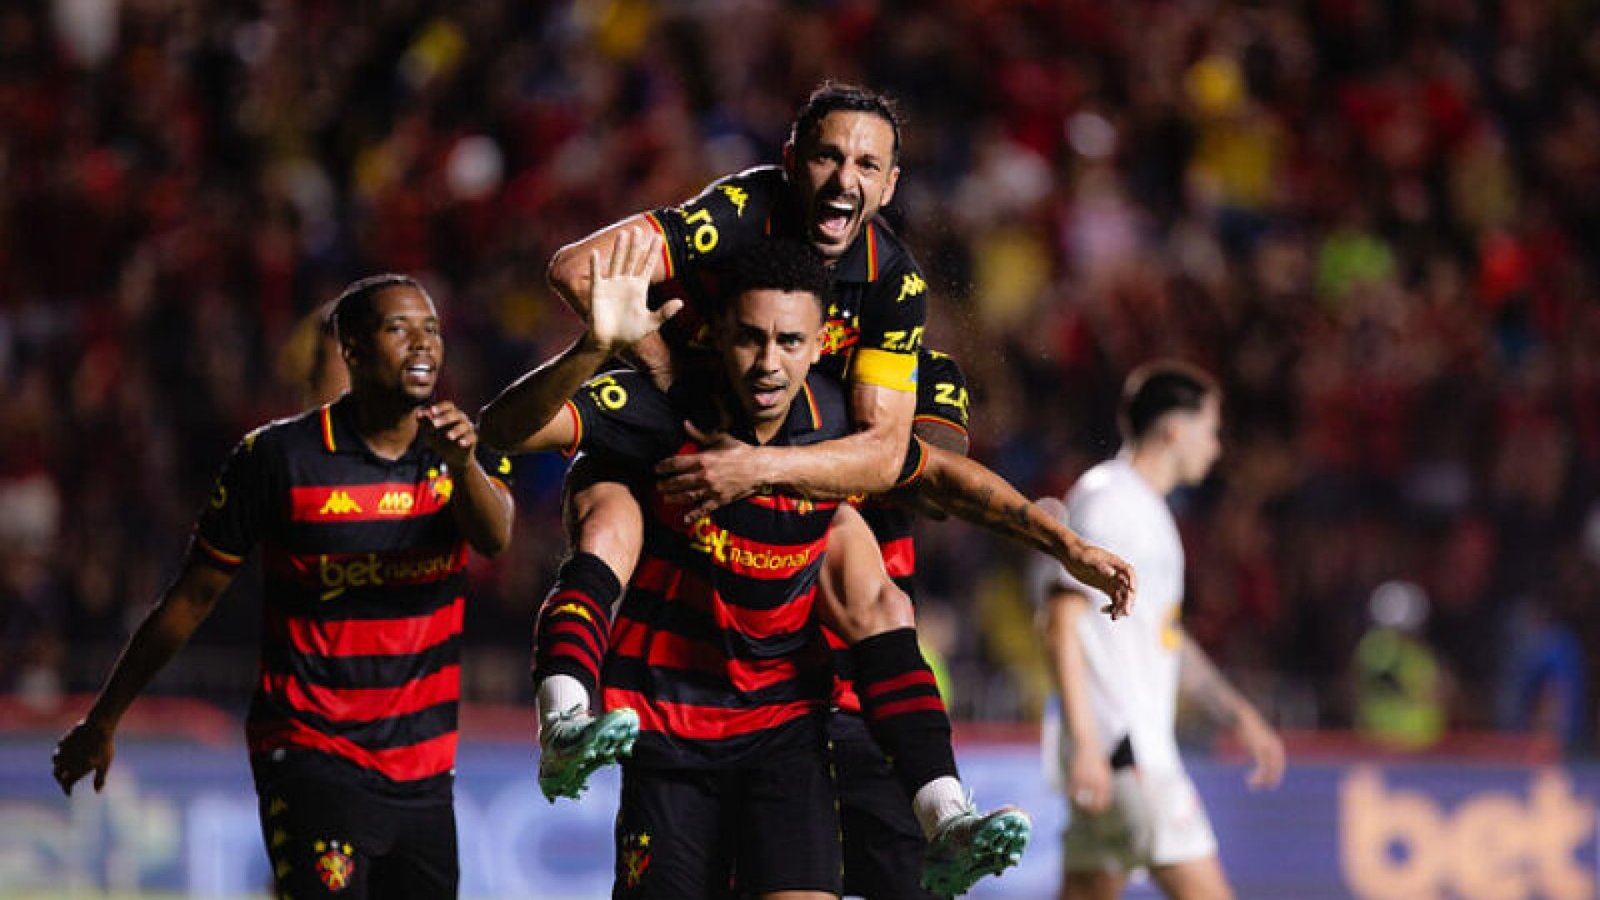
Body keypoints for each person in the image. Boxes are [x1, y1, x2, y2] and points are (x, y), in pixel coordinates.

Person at [483, 233, 1131, 897]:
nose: (769, 361)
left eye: (791, 339)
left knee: (877, 592)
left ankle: (947, 814)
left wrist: (1066, 544)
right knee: (608, 525)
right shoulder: (675, 401)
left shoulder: (867, 407)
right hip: (676, 722)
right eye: (751, 338)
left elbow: (934, 474)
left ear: (823, 333)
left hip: (805, 719)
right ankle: (562, 713)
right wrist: (595, 346)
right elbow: (505, 428)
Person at [51, 275, 516, 900]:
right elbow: (191, 598)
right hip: (311, 751)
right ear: (349, 349)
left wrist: (461, 466)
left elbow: (495, 539)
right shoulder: (276, 459)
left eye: (430, 328)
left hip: (424, 771)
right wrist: (104, 719)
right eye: (398, 328)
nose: (421, 344)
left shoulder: (457, 453)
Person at [1037, 361, 1284, 900]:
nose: (1215, 448)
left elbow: (1165, 638)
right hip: (1126, 752)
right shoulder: (1111, 501)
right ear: (1175, 430)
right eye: (1211, 430)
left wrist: (1239, 716)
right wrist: (1086, 744)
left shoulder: (1146, 511)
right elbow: (1060, 621)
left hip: (1114, 752)